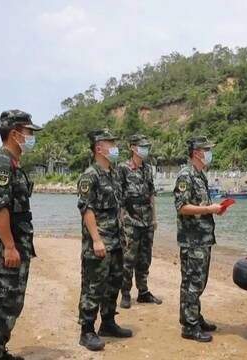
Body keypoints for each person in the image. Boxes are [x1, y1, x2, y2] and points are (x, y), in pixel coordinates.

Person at [0, 109, 42, 360]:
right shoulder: (3, 164)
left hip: (16, 243)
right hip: (6, 247)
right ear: (15, 134)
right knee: (3, 302)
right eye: (29, 132)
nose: (32, 136)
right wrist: (8, 246)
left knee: (11, 302)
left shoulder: (12, 164)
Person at [77, 129, 132, 351]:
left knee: (114, 282)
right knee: (93, 285)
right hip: (99, 242)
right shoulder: (90, 175)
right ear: (99, 148)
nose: (115, 147)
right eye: (111, 143)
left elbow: (118, 206)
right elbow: (86, 209)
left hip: (116, 240)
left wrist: (123, 231)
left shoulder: (115, 173)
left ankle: (108, 323)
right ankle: (87, 330)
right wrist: (97, 240)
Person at [173, 135, 221, 342]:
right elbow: (182, 207)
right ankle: (190, 327)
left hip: (203, 238)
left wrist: (214, 210)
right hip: (192, 240)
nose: (209, 153)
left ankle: (193, 316)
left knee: (199, 281)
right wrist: (209, 208)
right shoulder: (186, 176)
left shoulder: (200, 175)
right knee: (192, 282)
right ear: (196, 153)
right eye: (206, 149)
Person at [118, 134, 162, 309]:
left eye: (146, 146)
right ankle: (126, 293)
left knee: (145, 258)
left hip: (146, 220)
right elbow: (119, 196)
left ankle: (143, 292)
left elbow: (151, 194)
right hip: (130, 219)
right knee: (129, 258)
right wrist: (120, 219)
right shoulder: (123, 168)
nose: (145, 150)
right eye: (142, 146)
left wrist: (154, 218)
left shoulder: (148, 168)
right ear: (133, 148)